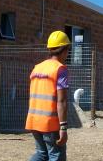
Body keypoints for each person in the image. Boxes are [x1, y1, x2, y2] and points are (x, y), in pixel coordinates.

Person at [26, 30, 71, 161]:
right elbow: (61, 101)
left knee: (41, 154)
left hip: (34, 120)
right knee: (56, 156)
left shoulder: (37, 67)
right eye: (68, 49)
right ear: (64, 50)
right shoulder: (60, 69)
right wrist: (63, 127)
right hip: (50, 124)